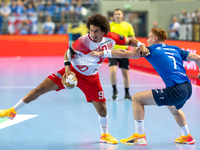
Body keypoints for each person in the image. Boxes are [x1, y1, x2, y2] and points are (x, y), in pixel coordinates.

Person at [0, 13, 149, 144]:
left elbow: (129, 41)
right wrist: (67, 71)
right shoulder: (83, 41)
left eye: (96, 31)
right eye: (91, 30)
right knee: (41, 88)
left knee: (102, 109)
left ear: (104, 31)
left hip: (91, 77)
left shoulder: (111, 38)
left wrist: (141, 44)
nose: (93, 33)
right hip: (73, 71)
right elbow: (68, 53)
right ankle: (13, 111)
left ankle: (104, 135)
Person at [90, 27, 198, 145]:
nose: (147, 40)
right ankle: (187, 136)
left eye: (149, 37)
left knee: (137, 99)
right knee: (173, 108)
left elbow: (123, 53)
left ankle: (139, 135)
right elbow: (197, 58)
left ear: (155, 38)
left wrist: (100, 53)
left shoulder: (150, 50)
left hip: (176, 90)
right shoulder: (174, 48)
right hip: (188, 88)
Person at [109, 8, 136, 100]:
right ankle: (114, 90)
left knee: (125, 73)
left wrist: (137, 48)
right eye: (115, 14)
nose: (117, 15)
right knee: (113, 72)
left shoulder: (127, 25)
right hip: (112, 52)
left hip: (124, 53)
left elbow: (132, 38)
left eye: (119, 14)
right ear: (113, 15)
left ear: (122, 15)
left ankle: (127, 93)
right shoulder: (109, 26)